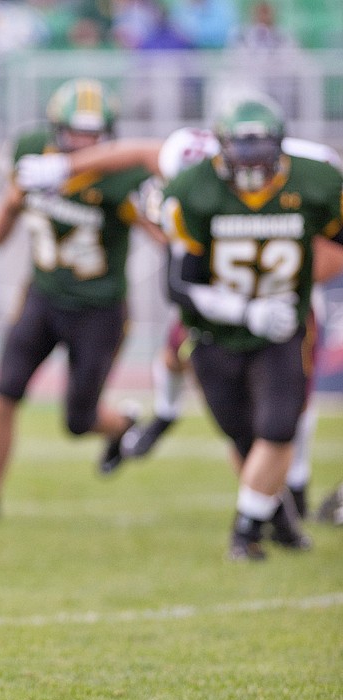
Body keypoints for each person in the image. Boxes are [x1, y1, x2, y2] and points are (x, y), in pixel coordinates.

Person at [15, 121, 343, 522]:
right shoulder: (191, 169)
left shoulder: (310, 175)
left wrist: (268, 292)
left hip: (282, 303)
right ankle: (168, 419)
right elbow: (138, 152)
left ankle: (295, 488)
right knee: (183, 361)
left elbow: (327, 253)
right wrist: (67, 168)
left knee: (289, 407)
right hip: (216, 305)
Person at [159, 94, 343, 559]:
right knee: (242, 435)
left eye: (261, 157)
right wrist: (245, 310)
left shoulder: (317, 183)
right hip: (214, 333)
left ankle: (245, 532)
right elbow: (177, 286)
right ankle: (279, 519)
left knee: (279, 427)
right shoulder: (192, 189)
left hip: (284, 328)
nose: (250, 170)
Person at [0, 78, 153, 521]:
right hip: (43, 296)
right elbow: (11, 203)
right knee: (4, 390)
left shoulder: (123, 174)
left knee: (78, 420)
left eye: (94, 134)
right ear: (55, 129)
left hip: (99, 308)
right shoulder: (34, 150)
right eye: (76, 132)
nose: (83, 143)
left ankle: (122, 426)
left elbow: (159, 228)